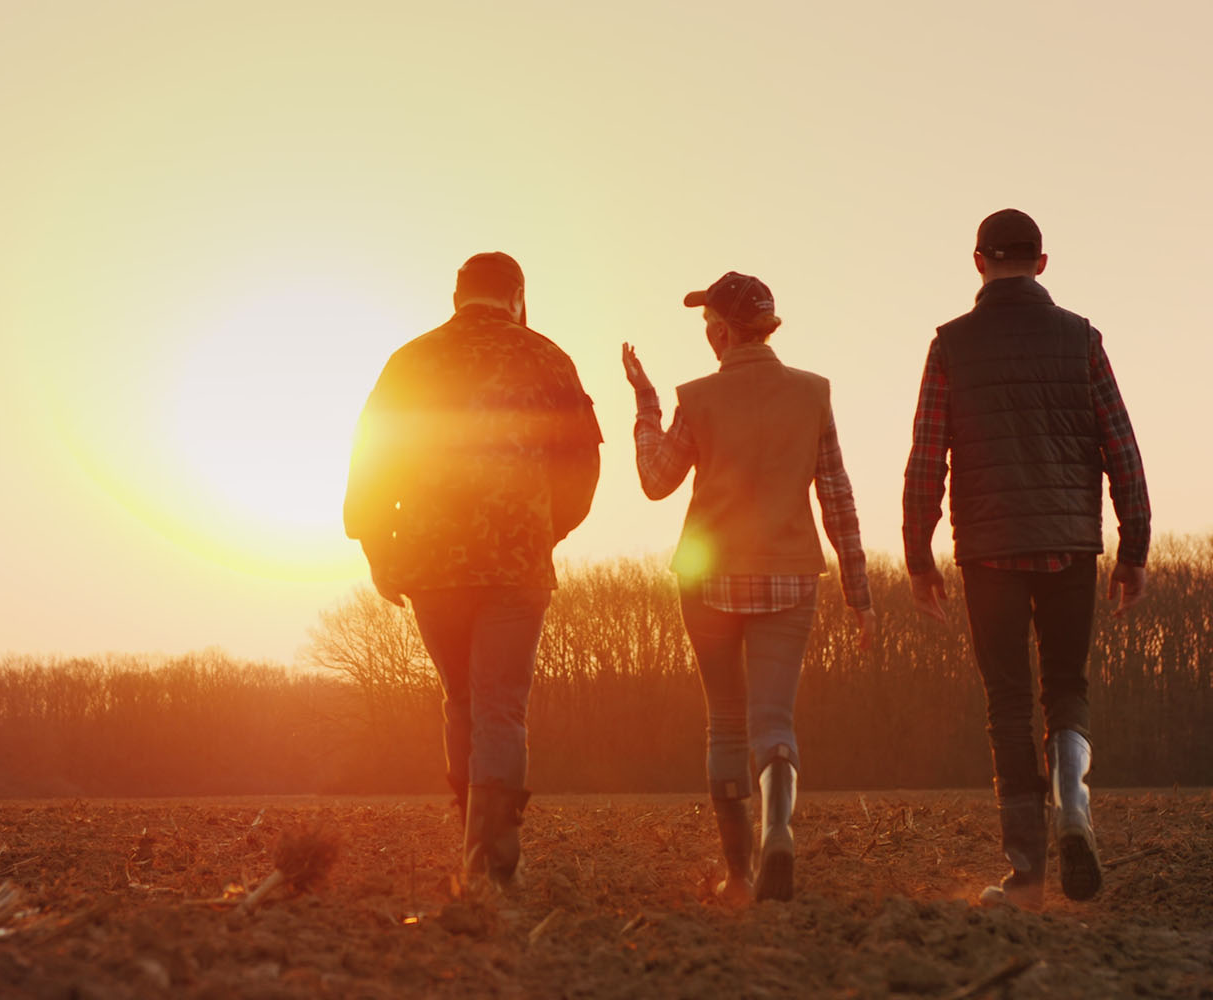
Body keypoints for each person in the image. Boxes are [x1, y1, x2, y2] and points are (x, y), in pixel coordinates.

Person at [902, 209, 1151, 909]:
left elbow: (927, 456)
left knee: (1008, 702)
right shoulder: (1082, 340)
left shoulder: (950, 345)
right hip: (1070, 544)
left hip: (988, 551)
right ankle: (1074, 804)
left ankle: (1027, 876)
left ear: (978, 262)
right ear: (1041, 263)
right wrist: (1133, 548)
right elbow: (1122, 447)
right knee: (1067, 686)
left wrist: (918, 555)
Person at [343, 252, 602, 891]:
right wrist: (546, 529)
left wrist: (378, 548)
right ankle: (495, 848)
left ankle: (471, 841)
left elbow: (371, 462)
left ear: (457, 296)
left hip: (432, 566)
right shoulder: (548, 359)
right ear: (517, 296)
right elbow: (583, 466)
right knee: (501, 708)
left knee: (461, 699)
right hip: (516, 567)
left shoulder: (410, 362)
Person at [624, 272, 875, 904]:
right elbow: (838, 496)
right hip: (790, 574)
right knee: (773, 720)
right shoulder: (813, 394)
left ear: (722, 332)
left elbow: (656, 480)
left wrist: (646, 405)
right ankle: (779, 828)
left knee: (726, 724)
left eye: (708, 323)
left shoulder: (697, 398)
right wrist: (859, 592)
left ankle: (737, 876)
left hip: (707, 577)